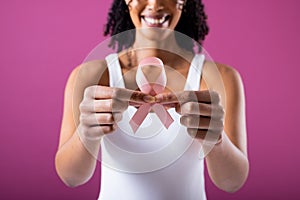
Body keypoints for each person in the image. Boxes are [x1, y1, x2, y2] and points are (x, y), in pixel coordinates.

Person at [55, 0, 249, 199]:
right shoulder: (91, 75)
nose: (155, 4)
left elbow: (232, 181)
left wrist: (217, 140)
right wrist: (86, 135)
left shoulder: (219, 77)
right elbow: (71, 177)